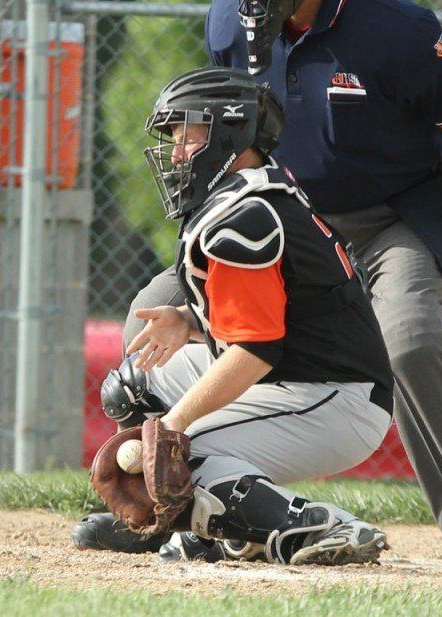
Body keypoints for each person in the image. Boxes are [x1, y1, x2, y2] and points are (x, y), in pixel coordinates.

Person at [76, 0, 442, 573]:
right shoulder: (230, 19)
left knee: (410, 341)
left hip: (394, 219)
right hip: (287, 218)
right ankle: (165, 512)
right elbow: (228, 123)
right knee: (152, 312)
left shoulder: (396, 27)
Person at [93, 67, 397, 565]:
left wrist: (175, 426)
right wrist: (190, 321)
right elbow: (279, 311)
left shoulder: (244, 217)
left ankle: (322, 526)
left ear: (228, 135)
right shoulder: (246, 195)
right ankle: (199, 525)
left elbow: (256, 351)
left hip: (331, 393)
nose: (175, 153)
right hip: (292, 371)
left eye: (187, 135)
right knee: (133, 387)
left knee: (184, 452)